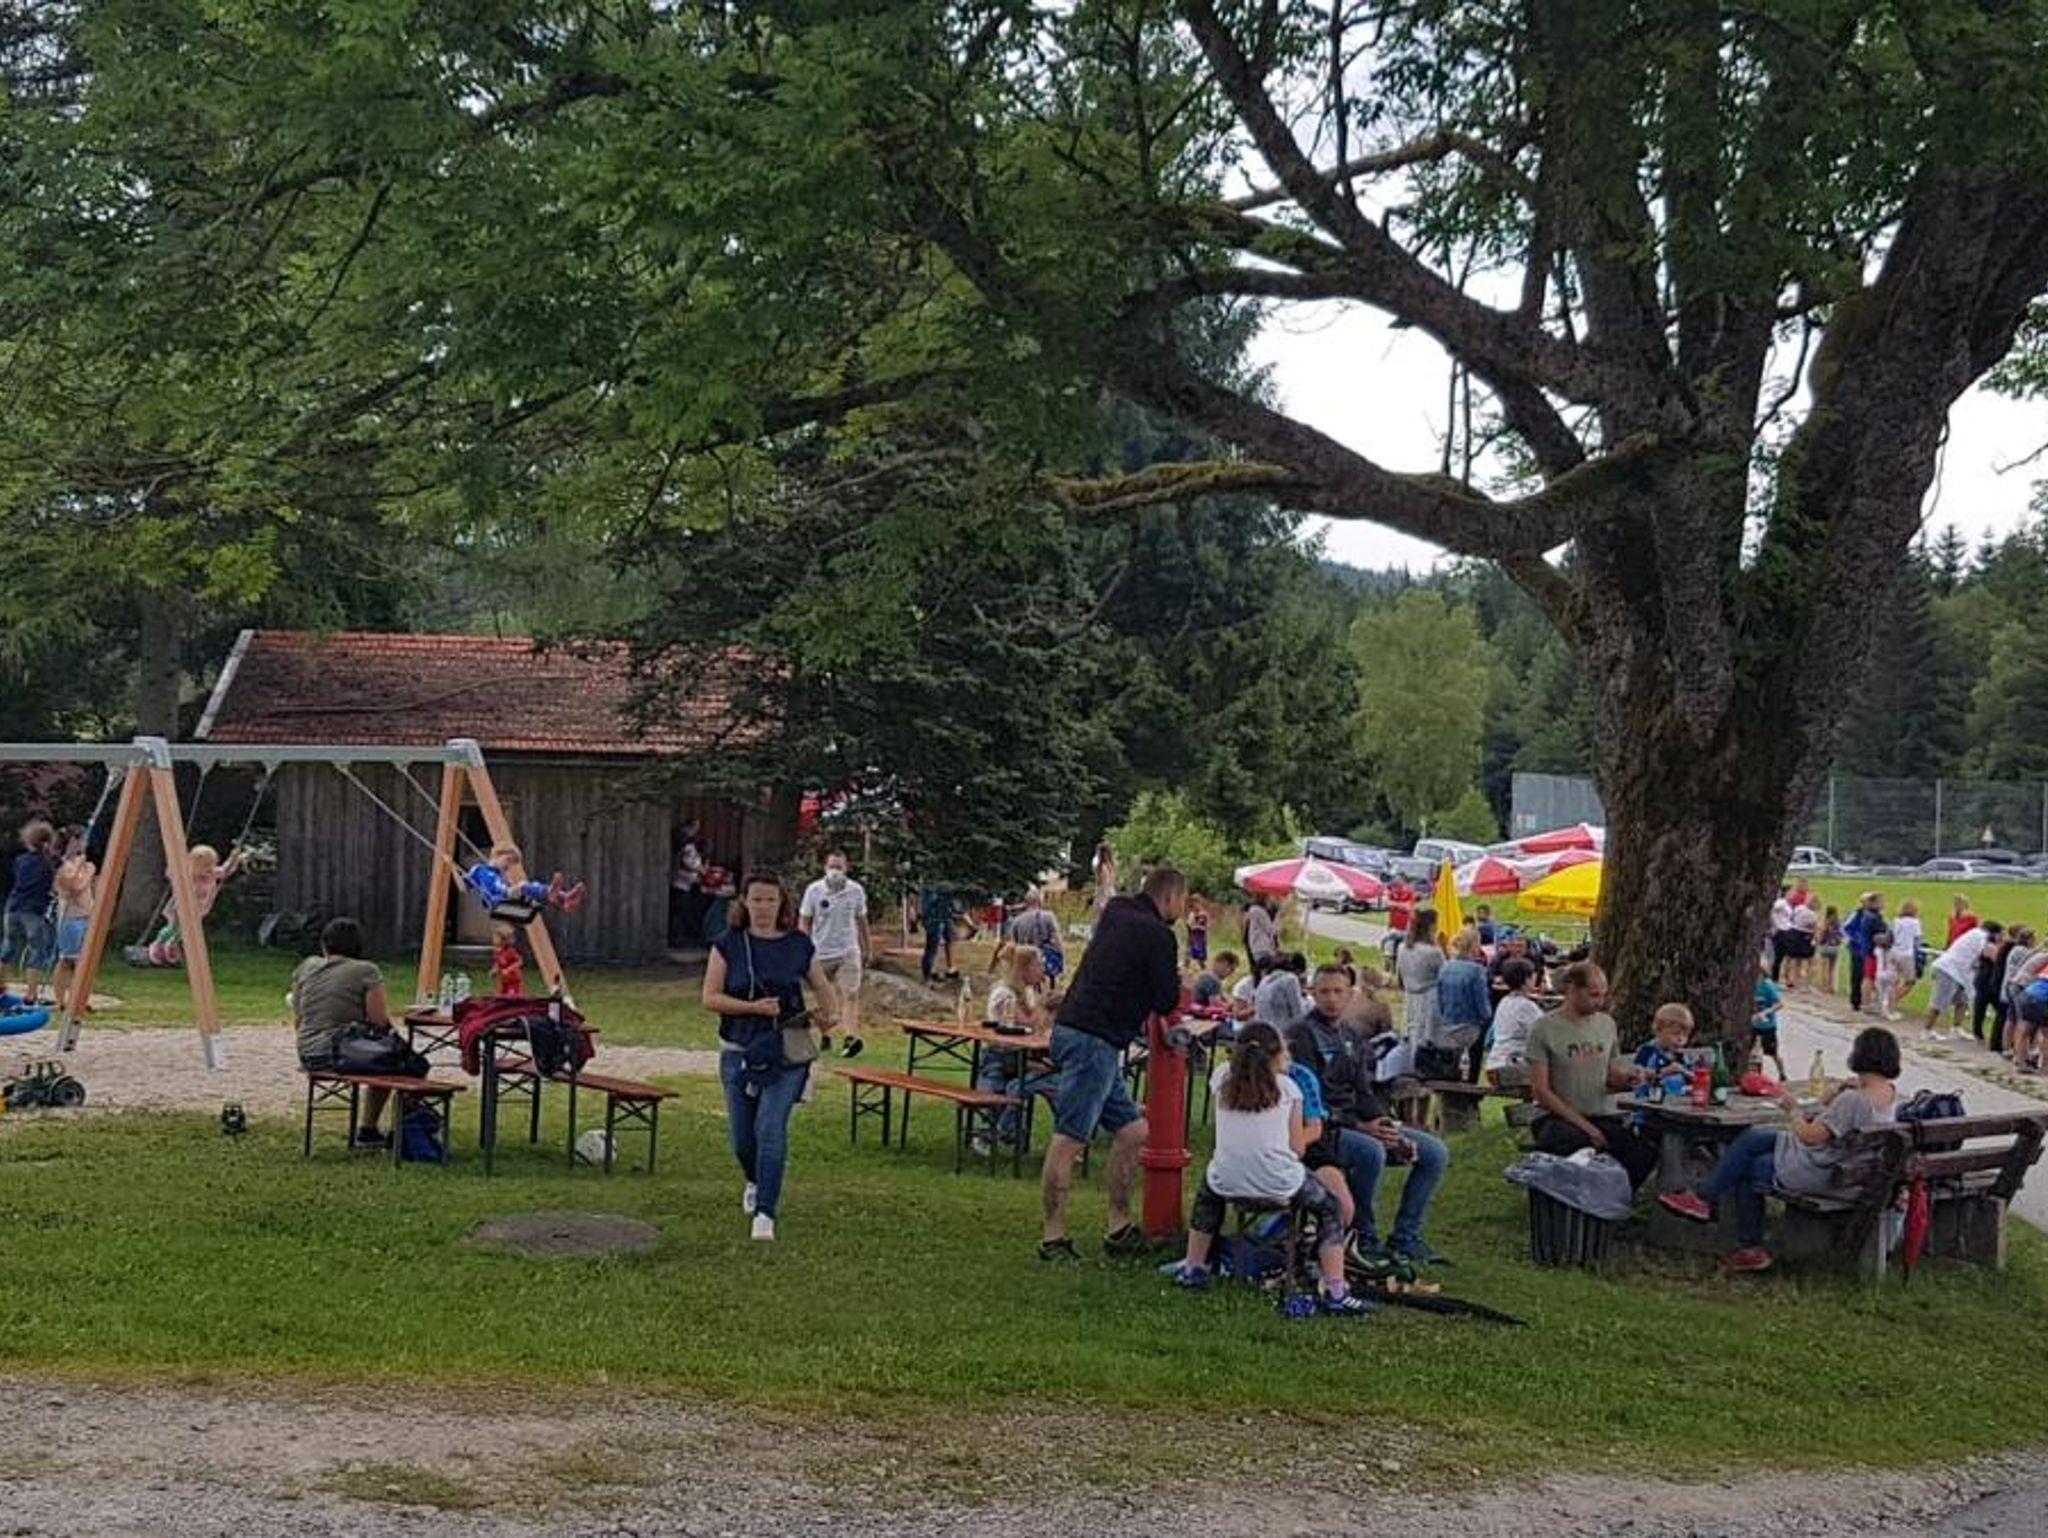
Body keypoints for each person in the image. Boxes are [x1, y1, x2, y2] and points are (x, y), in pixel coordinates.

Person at [1164, 1022, 1372, 1314]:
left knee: (1208, 1194)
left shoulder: (1221, 1077)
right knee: (1330, 1208)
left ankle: (1194, 1266)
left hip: (1227, 1178)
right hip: (1279, 1181)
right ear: (1276, 1056)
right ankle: (1335, 1289)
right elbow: (1297, 1149)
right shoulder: (1288, 1088)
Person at [1659, 1025, 1902, 1273]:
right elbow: (1831, 1122)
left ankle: (1730, 1226)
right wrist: (1833, 1095)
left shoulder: (1854, 1100)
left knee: (1749, 1161)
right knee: (1754, 1141)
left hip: (1827, 1176)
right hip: (1852, 1175)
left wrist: (1792, 1109)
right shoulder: (1889, 1094)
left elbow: (1809, 1136)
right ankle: (1713, 1209)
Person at [1039, 865, 1187, 1262]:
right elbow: (1166, 999)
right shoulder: (1159, 935)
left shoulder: (1117, 911)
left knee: (1134, 1131)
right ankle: (1053, 1238)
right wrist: (1173, 976)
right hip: (1095, 1039)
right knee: (1070, 1138)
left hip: (1076, 1028)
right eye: (1182, 901)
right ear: (1171, 897)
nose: (1182, 910)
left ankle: (1119, 1227)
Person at [703, 872, 844, 1241]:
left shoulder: (798, 944)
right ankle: (754, 1178)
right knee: (742, 1137)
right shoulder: (728, 944)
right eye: (757, 900)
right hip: (739, 1049)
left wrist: (830, 1015)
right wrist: (752, 1008)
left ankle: (765, 1211)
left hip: (788, 1047)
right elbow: (710, 998)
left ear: (782, 904)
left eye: (770, 900)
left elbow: (822, 986)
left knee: (770, 1126)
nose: (763, 907)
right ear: (744, 903)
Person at [1286, 964, 1451, 1270]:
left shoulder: (1352, 1036)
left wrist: (1384, 1124)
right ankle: (1364, 1238)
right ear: (1312, 994)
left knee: (1434, 1152)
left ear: (1350, 995)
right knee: (1370, 1151)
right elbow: (1308, 1100)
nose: (1331, 999)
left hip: (1358, 1123)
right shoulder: (1300, 1035)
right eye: (1324, 992)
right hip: (1321, 1131)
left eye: (1338, 991)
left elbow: (1364, 1091)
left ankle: (1406, 1237)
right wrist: (1362, 1127)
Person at [1526, 962, 1656, 1190]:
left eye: (1603, 995)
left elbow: (1610, 1074)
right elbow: (1541, 1091)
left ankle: (1613, 1200)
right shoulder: (1543, 1029)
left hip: (1601, 1115)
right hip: (1558, 1117)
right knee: (1570, 1143)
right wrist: (1587, 1128)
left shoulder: (1606, 1024)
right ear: (1572, 989)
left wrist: (1629, 1078)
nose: (1600, 1002)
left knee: (1642, 1153)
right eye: (1594, 995)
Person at [290, 917, 396, 1146]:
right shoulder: (366, 971)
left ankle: (371, 1131)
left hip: (307, 1052)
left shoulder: (307, 966)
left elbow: (298, 1017)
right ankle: (370, 1128)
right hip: (339, 1053)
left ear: (324, 944)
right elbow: (378, 1021)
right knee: (394, 1061)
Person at [974, 941, 1058, 1148]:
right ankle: (994, 1132)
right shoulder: (1004, 993)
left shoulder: (1028, 992)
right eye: (1039, 965)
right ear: (1024, 969)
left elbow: (1037, 1028)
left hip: (1021, 1055)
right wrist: (1045, 1003)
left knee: (1044, 1081)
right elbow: (1028, 1024)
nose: (1043, 970)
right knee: (1015, 1087)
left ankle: (1004, 1131)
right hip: (1000, 1054)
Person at [799, 850, 871, 1059]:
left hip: (848, 951)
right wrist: (803, 947)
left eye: (839, 867)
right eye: (832, 866)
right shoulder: (814, 890)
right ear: (825, 868)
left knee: (850, 994)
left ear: (846, 868)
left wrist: (867, 947)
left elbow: (861, 920)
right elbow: (804, 920)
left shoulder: (856, 891)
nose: (835, 871)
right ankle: (826, 1035)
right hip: (820, 952)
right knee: (823, 998)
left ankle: (850, 1038)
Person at [141, 842, 248, 967]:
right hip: (180, 907)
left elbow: (226, 870)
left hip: (197, 909)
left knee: (184, 931)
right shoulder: (188, 874)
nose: (210, 868)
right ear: (197, 865)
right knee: (173, 928)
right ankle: (157, 944)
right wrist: (174, 863)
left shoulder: (212, 874)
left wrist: (234, 858)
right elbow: (170, 874)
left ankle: (171, 944)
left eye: (212, 864)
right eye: (206, 865)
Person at [1, 820, 58, 1005]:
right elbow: (52, 884)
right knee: (37, 950)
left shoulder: (20, 860)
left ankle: (1, 986)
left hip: (14, 907)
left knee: (8, 947)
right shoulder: (48, 863)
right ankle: (31, 994)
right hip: (34, 910)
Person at [1922, 918, 2002, 1042]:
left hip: (1959, 972)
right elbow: (1988, 953)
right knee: (1939, 1002)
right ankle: (1927, 1030)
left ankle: (1956, 1028)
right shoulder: (1981, 936)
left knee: (1962, 1001)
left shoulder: (1975, 934)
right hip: (1948, 970)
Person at [47, 825, 97, 1014]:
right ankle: (63, 1000)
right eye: (81, 839)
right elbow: (75, 887)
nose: (84, 843)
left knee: (82, 960)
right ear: (73, 841)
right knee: (69, 960)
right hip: (70, 919)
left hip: (85, 916)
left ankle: (80, 998)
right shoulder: (64, 866)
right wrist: (88, 872)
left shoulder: (81, 864)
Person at [1435, 926, 1492, 1082]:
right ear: (1475, 946)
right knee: (1477, 1048)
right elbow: (1482, 1007)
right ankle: (1471, 1085)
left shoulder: (1445, 967)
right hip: (1469, 1026)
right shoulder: (1476, 971)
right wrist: (1488, 1017)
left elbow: (1439, 1000)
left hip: (1448, 1023)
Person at [465, 843, 584, 917]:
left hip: (507, 899)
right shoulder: (479, 869)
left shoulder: (501, 876)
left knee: (532, 889)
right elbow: (463, 885)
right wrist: (454, 871)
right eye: (508, 860)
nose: (509, 866)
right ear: (496, 854)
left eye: (511, 864)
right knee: (523, 885)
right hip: (496, 901)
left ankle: (564, 898)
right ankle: (552, 894)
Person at [1483, 957, 1542, 1086]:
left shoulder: (1504, 1001)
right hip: (1508, 1066)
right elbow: (1544, 1034)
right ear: (1526, 980)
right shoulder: (1526, 1006)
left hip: (1494, 1064)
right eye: (1532, 975)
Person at [1395, 907, 1444, 1047]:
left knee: (1410, 1034)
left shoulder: (1402, 947)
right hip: (1428, 999)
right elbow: (1443, 975)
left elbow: (1399, 974)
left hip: (1409, 996)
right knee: (1425, 1037)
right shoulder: (1433, 952)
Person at [1006, 887, 1064, 984]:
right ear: (1039, 901)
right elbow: (1058, 941)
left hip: (1024, 964)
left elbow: (1012, 944)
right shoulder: (1048, 916)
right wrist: (1061, 961)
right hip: (1043, 963)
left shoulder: (1017, 921)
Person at [1840, 892, 1885, 1014]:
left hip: (1868, 949)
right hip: (1857, 949)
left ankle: (1869, 1000)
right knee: (1858, 974)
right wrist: (1854, 940)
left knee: (1869, 976)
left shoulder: (1876, 915)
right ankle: (1856, 1000)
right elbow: (1846, 928)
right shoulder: (1857, 914)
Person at [1975, 922, 2011, 1051]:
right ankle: (1979, 1033)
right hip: (1986, 980)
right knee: (1982, 1006)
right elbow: (1997, 959)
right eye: (2001, 934)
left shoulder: (1993, 945)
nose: (2004, 937)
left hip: (1989, 980)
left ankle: (1985, 1035)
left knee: (1987, 1007)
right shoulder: (1990, 946)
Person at [1253, 951, 1309, 1031]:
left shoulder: (1264, 981)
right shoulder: (1290, 979)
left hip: (1266, 1032)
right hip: (1285, 1031)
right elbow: (1298, 1012)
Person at [1750, 960, 1786, 1080]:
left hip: (1767, 1026)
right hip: (1754, 1025)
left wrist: (1767, 1012)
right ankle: (1755, 1076)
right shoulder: (1749, 986)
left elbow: (1780, 1004)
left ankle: (1782, 1074)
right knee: (1752, 1053)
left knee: (1773, 1053)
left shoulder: (1768, 986)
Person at [918, 882, 958, 985]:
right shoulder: (934, 896)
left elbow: (953, 910)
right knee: (932, 949)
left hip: (940, 920)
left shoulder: (944, 898)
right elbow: (926, 910)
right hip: (934, 921)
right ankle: (928, 976)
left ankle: (936, 973)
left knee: (937, 946)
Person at [1889, 900, 1924, 996]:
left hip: (1894, 952)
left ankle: (1889, 999)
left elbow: (1890, 936)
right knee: (1910, 981)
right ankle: (1894, 999)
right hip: (1906, 954)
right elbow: (1918, 939)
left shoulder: (1896, 921)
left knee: (1895, 980)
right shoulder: (1915, 923)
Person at [1243, 895, 1280, 979]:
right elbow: (1270, 929)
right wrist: (1277, 919)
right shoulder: (1258, 911)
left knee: (1258, 971)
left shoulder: (1252, 911)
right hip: (1263, 948)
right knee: (1265, 973)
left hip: (1256, 948)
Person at [1767, 884, 1794, 982]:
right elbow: (1771, 910)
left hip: (1787, 930)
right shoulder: (1781, 902)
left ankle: (1782, 977)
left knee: (1785, 956)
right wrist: (1775, 925)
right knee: (1778, 956)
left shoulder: (1787, 904)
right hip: (1781, 931)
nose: (1792, 894)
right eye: (1791, 892)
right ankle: (1775, 978)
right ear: (1786, 892)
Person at [490, 924, 525, 996]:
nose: (494, 940)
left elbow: (519, 961)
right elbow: (498, 962)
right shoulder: (497, 951)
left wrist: (508, 969)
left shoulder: (511, 951)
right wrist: (494, 970)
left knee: (511, 996)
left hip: (513, 980)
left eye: (497, 938)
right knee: (500, 995)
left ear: (504, 940)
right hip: (504, 980)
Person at [1815, 905, 1843, 994]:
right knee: (1832, 969)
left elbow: (1821, 935)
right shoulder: (1838, 923)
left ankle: (1824, 986)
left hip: (1825, 946)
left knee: (1824, 968)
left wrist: (1818, 941)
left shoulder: (1825, 923)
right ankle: (1832, 986)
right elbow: (1841, 935)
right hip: (1835, 947)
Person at [1090, 841, 1117, 919]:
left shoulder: (1102, 867)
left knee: (1100, 916)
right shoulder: (1111, 865)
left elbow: (1104, 882)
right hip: (1110, 891)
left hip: (1104, 893)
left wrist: (1099, 898)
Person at [1186, 901, 1210, 968]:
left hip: (1200, 938)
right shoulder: (1191, 915)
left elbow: (1207, 927)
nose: (1195, 907)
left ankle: (1203, 968)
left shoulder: (1204, 915)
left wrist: (1198, 927)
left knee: (1201, 957)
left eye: (1196, 904)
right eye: (1193, 905)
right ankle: (1186, 967)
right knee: (1189, 954)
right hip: (1193, 937)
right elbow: (1189, 926)